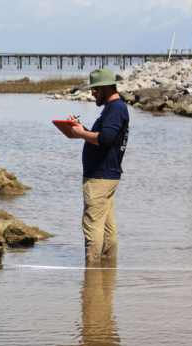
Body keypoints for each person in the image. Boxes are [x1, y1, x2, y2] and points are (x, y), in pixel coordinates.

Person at [67, 69, 129, 262]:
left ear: (106, 87)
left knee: (92, 225)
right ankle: (107, 277)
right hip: (107, 176)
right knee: (107, 227)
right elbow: (103, 137)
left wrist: (81, 134)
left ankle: (92, 279)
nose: (92, 93)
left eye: (95, 90)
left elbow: (106, 139)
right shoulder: (114, 108)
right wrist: (81, 128)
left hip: (100, 178)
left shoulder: (115, 108)